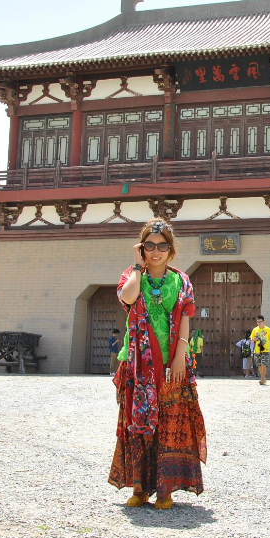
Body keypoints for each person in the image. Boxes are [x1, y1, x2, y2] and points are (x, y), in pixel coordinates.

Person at [108, 217, 206, 510]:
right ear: (141, 249)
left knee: (168, 422)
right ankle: (140, 488)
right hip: (138, 365)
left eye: (162, 245)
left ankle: (166, 489)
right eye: (149, 245)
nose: (156, 251)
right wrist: (137, 267)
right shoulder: (131, 276)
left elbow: (185, 320)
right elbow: (127, 298)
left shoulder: (181, 281)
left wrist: (179, 357)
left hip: (170, 364)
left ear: (171, 250)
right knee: (138, 424)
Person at [251, 315, 270, 386]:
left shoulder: (268, 329)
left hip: (265, 350)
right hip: (257, 350)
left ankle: (262, 379)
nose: (259, 323)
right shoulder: (255, 330)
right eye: (257, 322)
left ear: (263, 321)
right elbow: (251, 340)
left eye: (260, 322)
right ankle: (263, 377)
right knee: (259, 366)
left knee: (264, 364)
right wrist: (253, 339)